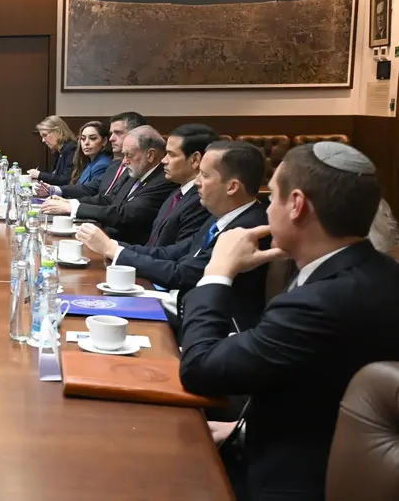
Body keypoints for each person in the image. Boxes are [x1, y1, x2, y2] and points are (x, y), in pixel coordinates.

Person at [179, 142, 399, 501]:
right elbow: (319, 389)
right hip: (296, 441)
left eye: (273, 198)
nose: (267, 208)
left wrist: (218, 272)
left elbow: (200, 368)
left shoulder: (319, 302)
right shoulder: (376, 271)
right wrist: (245, 427)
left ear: (296, 205)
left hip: (288, 481)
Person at [78, 141, 269, 332]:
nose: (196, 182)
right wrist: (112, 246)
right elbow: (171, 253)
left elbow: (182, 274)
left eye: (205, 175)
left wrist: (114, 250)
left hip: (210, 328)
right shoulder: (221, 216)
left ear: (232, 187)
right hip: (181, 306)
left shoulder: (248, 229)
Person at [42, 125, 176, 245]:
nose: (124, 162)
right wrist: (69, 203)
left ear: (150, 155)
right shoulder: (138, 171)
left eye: (128, 155)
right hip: (106, 239)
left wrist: (71, 208)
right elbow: (109, 199)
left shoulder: (163, 181)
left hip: (126, 247)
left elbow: (125, 214)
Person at [39, 111, 146, 199]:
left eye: (93, 138)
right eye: (83, 138)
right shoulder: (113, 165)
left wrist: (69, 204)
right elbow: (89, 188)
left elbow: (101, 198)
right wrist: (53, 190)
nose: (111, 138)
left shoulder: (104, 164)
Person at [145, 124, 217, 247]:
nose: (164, 160)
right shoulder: (177, 192)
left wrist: (118, 251)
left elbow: (176, 256)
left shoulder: (200, 202)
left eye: (171, 154)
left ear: (195, 160)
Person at [27, 115, 77, 185]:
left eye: (45, 135)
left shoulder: (71, 148)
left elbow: (66, 179)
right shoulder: (57, 151)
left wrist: (39, 175)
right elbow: (55, 176)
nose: (43, 140)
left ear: (58, 131)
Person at [68, 120, 112, 187]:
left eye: (93, 138)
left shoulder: (102, 164)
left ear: (104, 141)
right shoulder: (87, 161)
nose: (86, 143)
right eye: (83, 139)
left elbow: (90, 192)